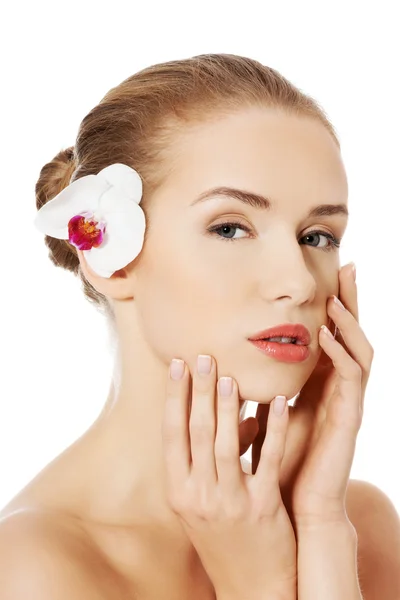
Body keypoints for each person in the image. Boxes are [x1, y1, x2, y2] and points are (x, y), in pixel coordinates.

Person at [0, 53, 399, 599]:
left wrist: (320, 523)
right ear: (109, 259)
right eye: (231, 228)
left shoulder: (358, 524)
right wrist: (259, 586)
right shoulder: (34, 567)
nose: (301, 283)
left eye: (317, 236)